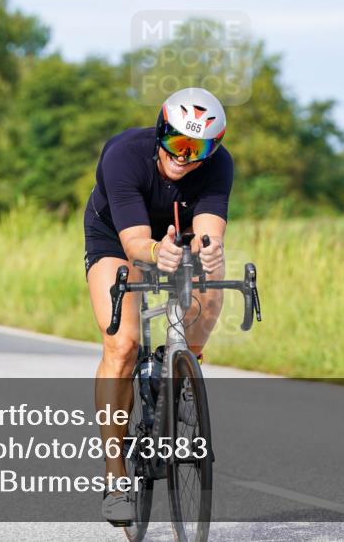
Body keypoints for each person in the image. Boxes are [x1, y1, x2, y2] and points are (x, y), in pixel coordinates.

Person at [83, 86, 234, 525]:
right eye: (177, 142)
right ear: (160, 131)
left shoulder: (219, 165)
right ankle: (115, 476)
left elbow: (208, 230)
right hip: (116, 235)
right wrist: (155, 252)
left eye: (197, 149)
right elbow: (135, 243)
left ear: (213, 149)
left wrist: (210, 250)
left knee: (211, 286)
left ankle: (184, 369)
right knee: (123, 345)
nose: (184, 157)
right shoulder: (124, 155)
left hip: (177, 233)